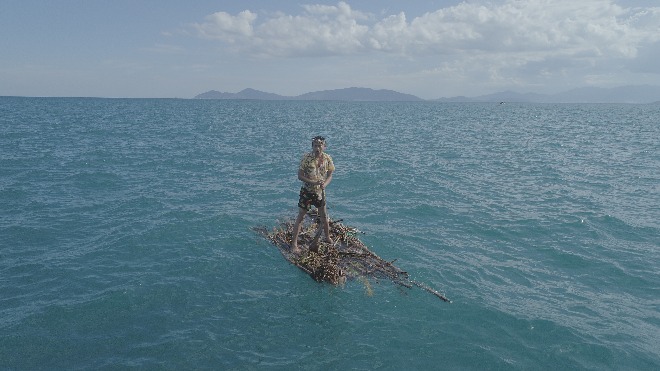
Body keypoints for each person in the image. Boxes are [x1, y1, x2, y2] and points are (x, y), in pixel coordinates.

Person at [291, 136, 334, 254]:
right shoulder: (306, 158)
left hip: (320, 193)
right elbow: (300, 176)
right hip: (307, 192)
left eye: (320, 145)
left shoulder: (327, 159)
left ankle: (327, 237)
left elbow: (330, 174)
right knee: (301, 216)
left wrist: (325, 184)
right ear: (312, 146)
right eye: (315, 145)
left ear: (324, 146)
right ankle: (294, 244)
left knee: (324, 216)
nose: (317, 148)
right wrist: (313, 182)